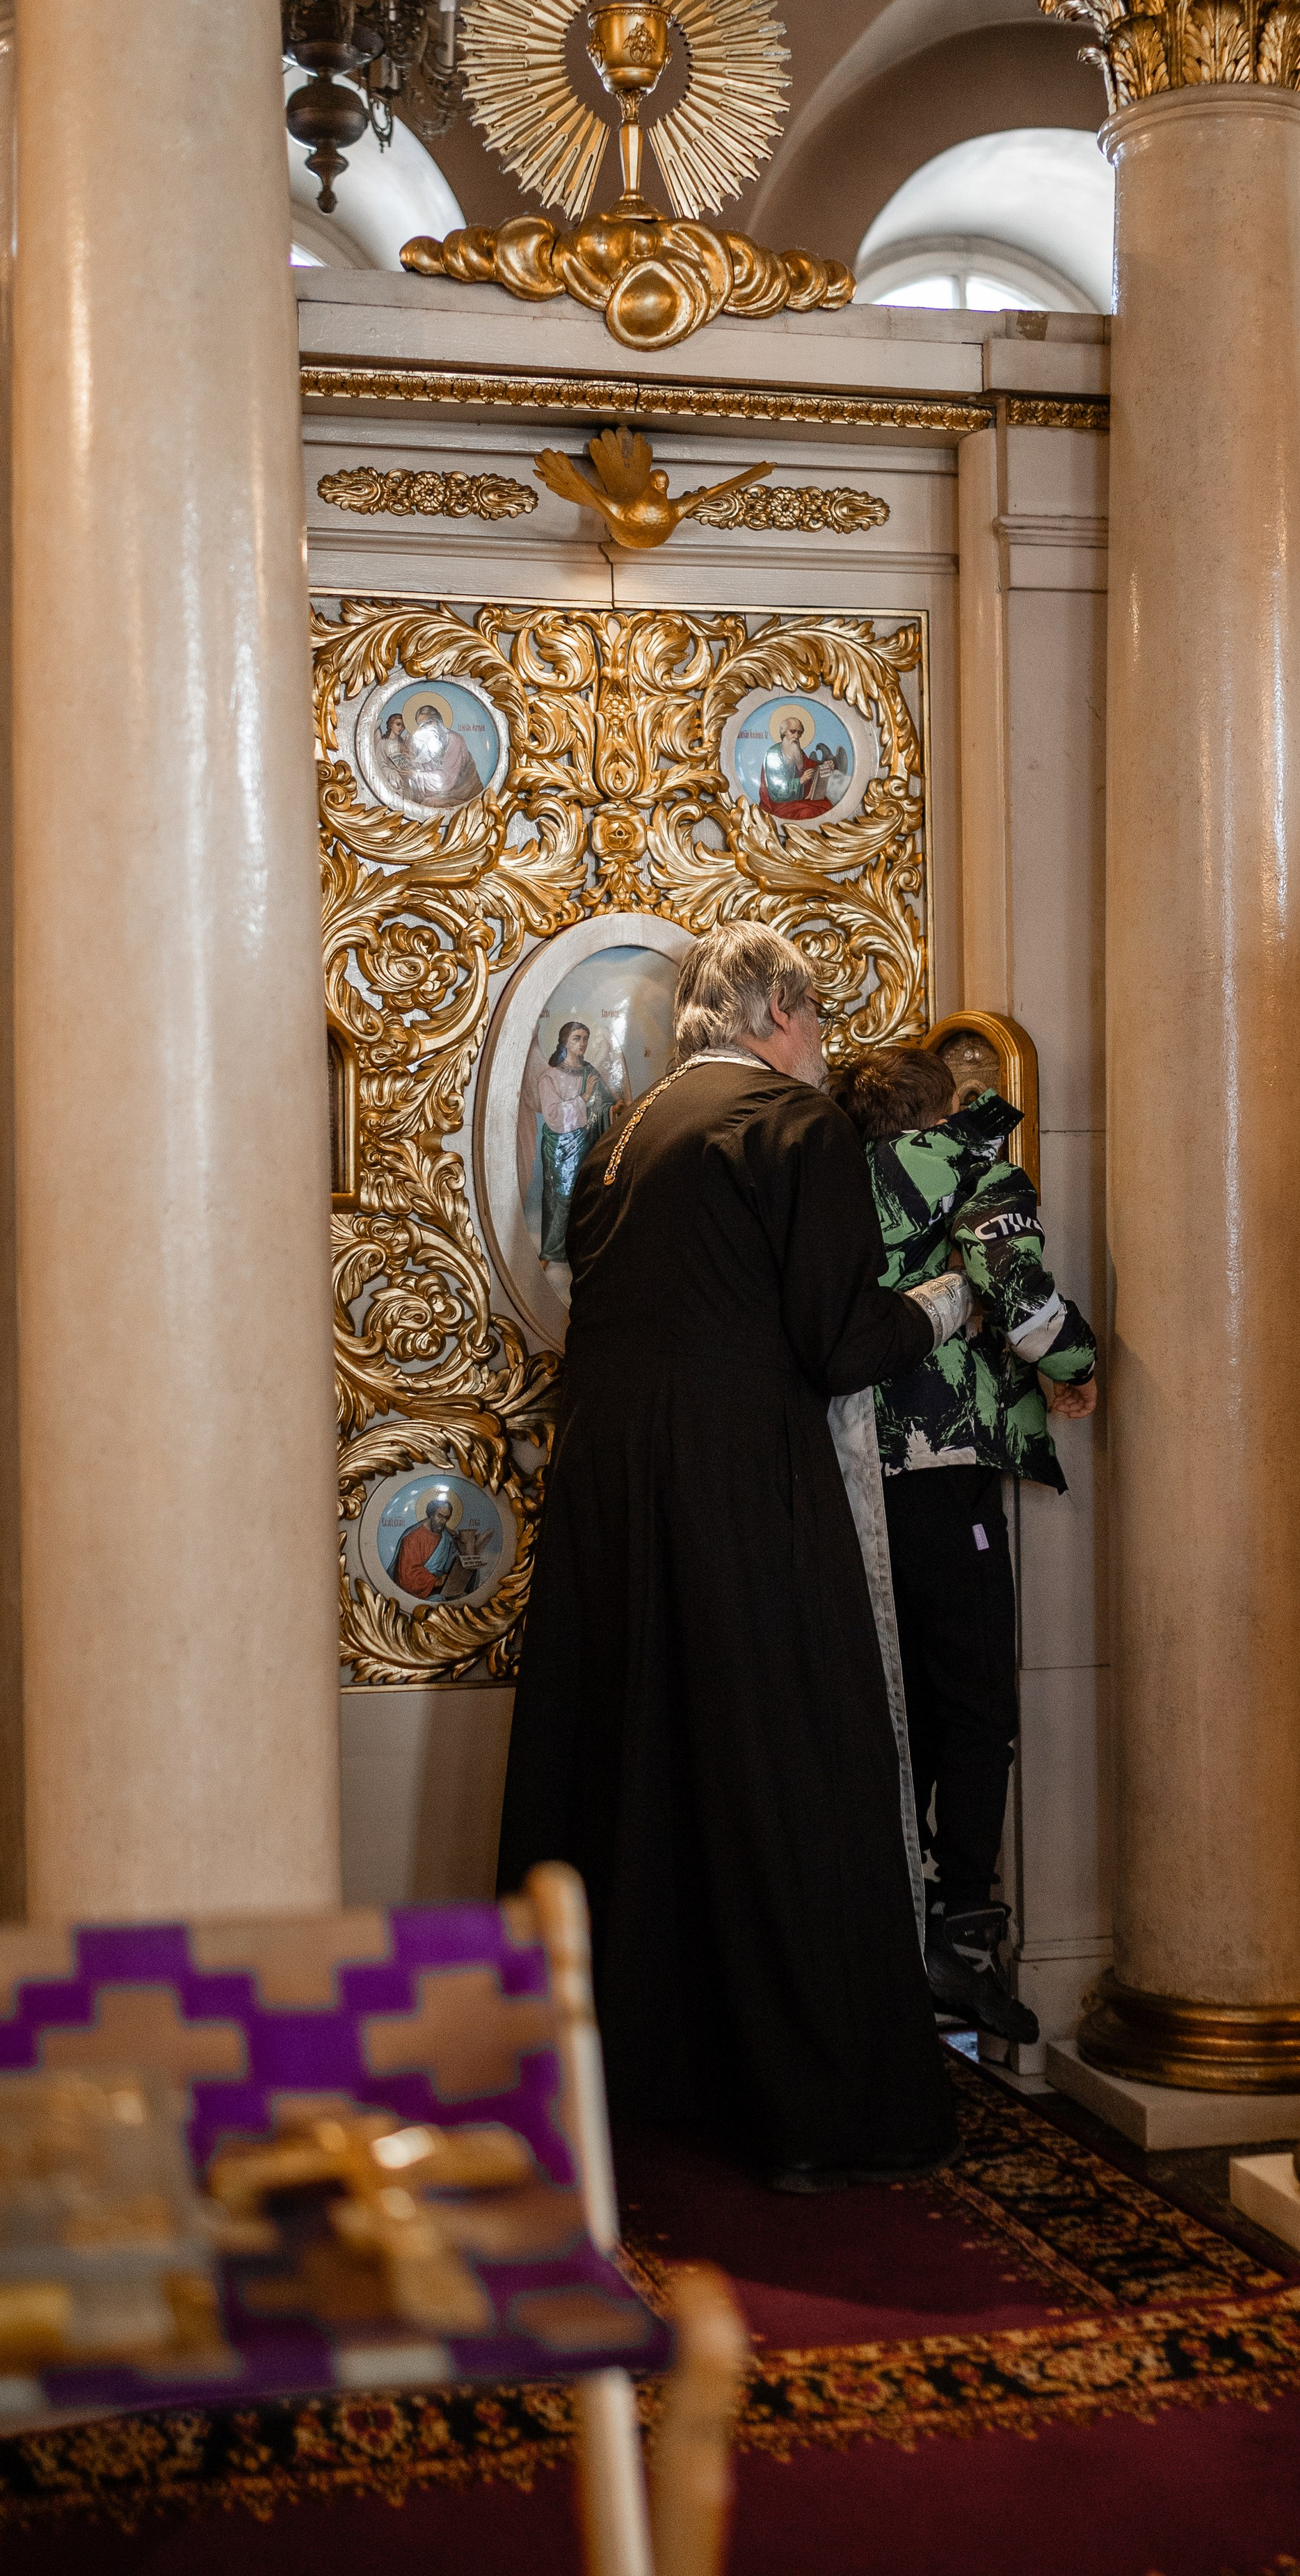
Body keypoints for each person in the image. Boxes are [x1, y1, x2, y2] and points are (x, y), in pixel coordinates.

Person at [497, 923, 972, 2191]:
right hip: (737, 1481)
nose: (821, 1051)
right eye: (814, 1024)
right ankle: (820, 2103)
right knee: (788, 1762)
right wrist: (942, 1308)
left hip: (614, 1485)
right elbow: (835, 1340)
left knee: (644, 1763)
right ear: (774, 1010)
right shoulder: (790, 1126)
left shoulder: (626, 1133)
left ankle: (649, 2078)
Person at [831, 1044, 1098, 2047]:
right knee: (978, 1702)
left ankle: (884, 1931)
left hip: (858, 1464)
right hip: (947, 1466)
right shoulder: (974, 1168)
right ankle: (963, 1941)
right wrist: (1080, 1359)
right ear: (944, 1110)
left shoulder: (831, 1176)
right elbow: (1018, 1295)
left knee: (891, 1701)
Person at [536, 1020, 617, 1264]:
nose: (582, 1043)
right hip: (559, 1148)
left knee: (586, 1196)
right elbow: (552, 1117)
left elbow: (605, 1106)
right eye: (576, 1038)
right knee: (559, 1198)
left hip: (588, 1144)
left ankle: (582, 1249)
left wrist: (615, 1108)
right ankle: (550, 1252)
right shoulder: (550, 1077)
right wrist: (583, 1098)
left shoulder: (590, 1072)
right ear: (565, 1043)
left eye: (585, 1038)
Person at [390, 1491, 460, 1599]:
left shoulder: (447, 1539)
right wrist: (435, 1581)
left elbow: (453, 1565)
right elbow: (407, 1576)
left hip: (442, 1589)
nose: (443, 1521)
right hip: (418, 1594)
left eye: (446, 1518)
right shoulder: (413, 1537)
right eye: (439, 1516)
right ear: (431, 1514)